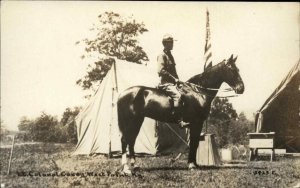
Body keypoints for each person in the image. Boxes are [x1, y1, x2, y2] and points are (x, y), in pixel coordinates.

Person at [157, 34, 189, 128]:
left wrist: (179, 81)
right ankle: (179, 121)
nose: (172, 44)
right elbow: (161, 70)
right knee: (178, 96)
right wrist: (174, 79)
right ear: (165, 44)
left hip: (173, 83)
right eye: (171, 42)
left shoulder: (170, 55)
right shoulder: (162, 55)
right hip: (165, 83)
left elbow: (174, 72)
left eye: (172, 42)